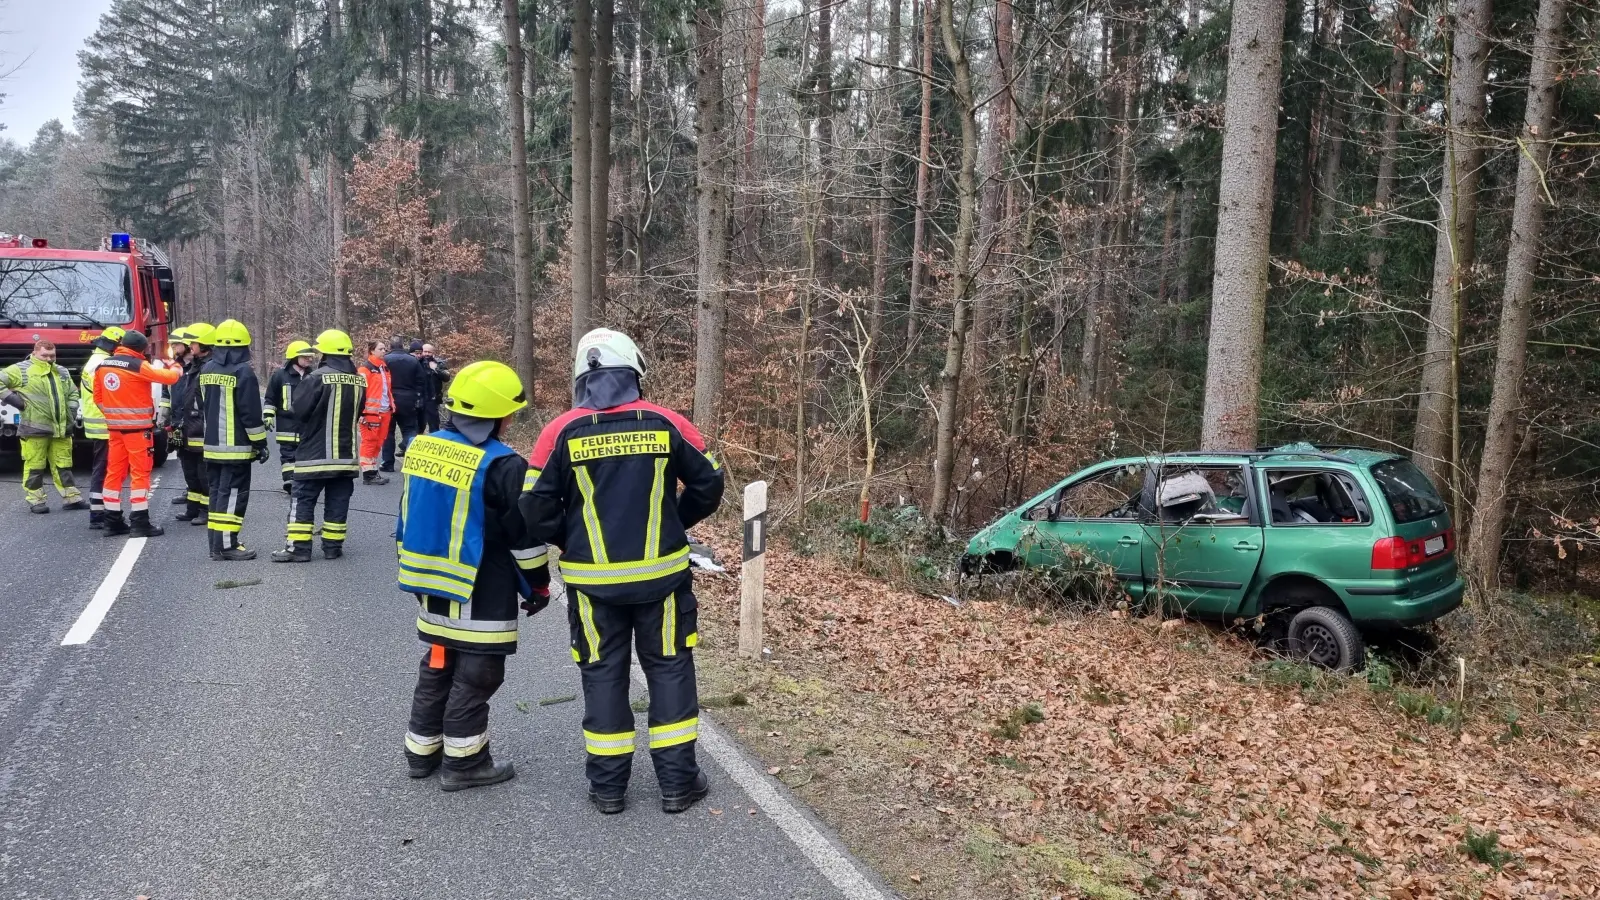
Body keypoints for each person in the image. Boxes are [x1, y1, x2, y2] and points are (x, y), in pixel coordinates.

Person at [520, 328, 725, 815]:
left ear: (582, 378)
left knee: (602, 674)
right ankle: (678, 785)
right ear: (634, 372)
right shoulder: (665, 421)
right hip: (663, 578)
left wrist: (572, 539)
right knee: (670, 669)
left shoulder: (559, 431)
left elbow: (533, 506)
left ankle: (608, 789)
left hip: (593, 584)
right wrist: (675, 521)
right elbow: (709, 482)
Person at [398, 360, 550, 791]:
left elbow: (407, 516)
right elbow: (523, 539)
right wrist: (538, 586)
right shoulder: (504, 465)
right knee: (480, 671)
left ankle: (421, 751)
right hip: (481, 585)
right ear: (499, 415)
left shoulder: (422, 447)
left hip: (428, 582)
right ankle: (465, 763)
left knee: (439, 662)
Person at [273, 330, 363, 563]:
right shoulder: (359, 380)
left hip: (313, 455)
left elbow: (298, 411)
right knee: (338, 502)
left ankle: (299, 549)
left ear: (326, 352)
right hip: (346, 458)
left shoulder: (316, 378)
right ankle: (333, 547)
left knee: (302, 500)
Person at [92, 329, 181, 537]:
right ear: (141, 348)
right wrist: (174, 364)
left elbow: (97, 398)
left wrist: (114, 416)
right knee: (140, 474)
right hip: (138, 431)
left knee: (114, 473)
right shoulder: (138, 365)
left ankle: (112, 521)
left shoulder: (102, 366)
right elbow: (169, 378)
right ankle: (139, 522)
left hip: (114, 431)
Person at [200, 319, 269, 561]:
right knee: (232, 498)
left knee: (218, 494)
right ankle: (226, 546)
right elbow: (250, 414)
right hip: (236, 449)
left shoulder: (206, 370)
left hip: (211, 447)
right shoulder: (243, 372)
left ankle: (216, 544)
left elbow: (203, 405)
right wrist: (260, 444)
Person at [0, 340, 86, 513]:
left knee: (63, 465)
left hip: (61, 429)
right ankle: (36, 500)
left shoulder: (61, 371)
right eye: (44, 355)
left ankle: (71, 498)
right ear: (35, 352)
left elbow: (72, 392)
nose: (48, 359)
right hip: (35, 429)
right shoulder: (21, 369)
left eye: (52, 355)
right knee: (34, 466)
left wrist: (71, 409)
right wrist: (17, 402)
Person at [167, 324, 214, 525]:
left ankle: (206, 510)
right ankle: (192, 508)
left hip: (200, 426)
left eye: (193, 343)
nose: (190, 346)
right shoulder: (191, 366)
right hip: (186, 425)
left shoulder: (208, 366)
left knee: (203, 473)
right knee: (190, 471)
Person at [79, 326, 124, 529]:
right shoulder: (102, 364)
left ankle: (99, 511)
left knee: (103, 468)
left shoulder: (95, 361)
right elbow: (109, 394)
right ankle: (98, 514)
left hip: (98, 422)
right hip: (104, 424)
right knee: (104, 469)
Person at [264, 340, 315, 492]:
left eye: (310, 357)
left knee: (305, 454)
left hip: (307, 424)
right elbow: (271, 397)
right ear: (294, 357)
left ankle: (302, 481)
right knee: (287, 454)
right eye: (305, 357)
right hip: (286, 423)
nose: (309, 359)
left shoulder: (313, 376)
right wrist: (268, 414)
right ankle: (289, 480)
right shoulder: (280, 376)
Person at [380, 336, 426, 471]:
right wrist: (418, 397)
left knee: (388, 432)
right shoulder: (412, 360)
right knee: (409, 429)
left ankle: (387, 463)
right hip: (408, 399)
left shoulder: (384, 360)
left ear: (390, 346)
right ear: (402, 346)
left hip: (388, 399)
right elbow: (421, 381)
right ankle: (413, 461)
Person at [358, 340, 394, 485]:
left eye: (385, 348)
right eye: (381, 349)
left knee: (379, 443)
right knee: (369, 442)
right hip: (370, 413)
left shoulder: (384, 368)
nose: (384, 351)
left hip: (385, 411)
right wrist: (360, 413)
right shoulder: (365, 369)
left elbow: (386, 390)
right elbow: (359, 392)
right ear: (372, 351)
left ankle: (373, 471)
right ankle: (368, 474)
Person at [419, 343, 449, 432]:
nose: (427, 354)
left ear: (433, 353)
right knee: (419, 425)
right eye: (425, 351)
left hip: (433, 399)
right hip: (419, 398)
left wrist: (436, 369)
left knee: (434, 425)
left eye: (429, 352)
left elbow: (446, 377)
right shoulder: (417, 362)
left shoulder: (439, 363)